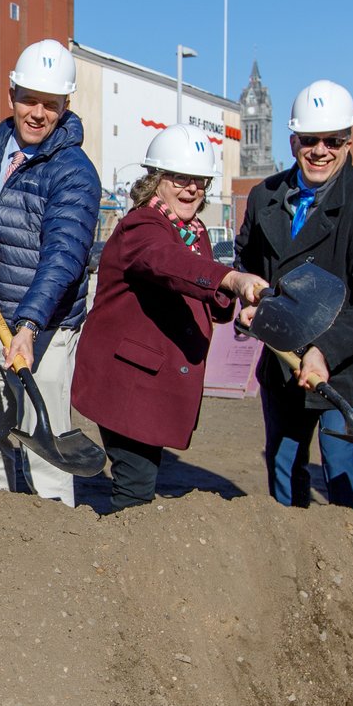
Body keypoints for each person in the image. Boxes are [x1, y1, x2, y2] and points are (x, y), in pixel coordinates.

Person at [70, 126, 266, 511]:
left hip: (154, 383)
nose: (191, 189)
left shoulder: (192, 231)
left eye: (199, 181)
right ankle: (124, 563)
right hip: (128, 380)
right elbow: (166, 263)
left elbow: (198, 287)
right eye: (180, 179)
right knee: (135, 488)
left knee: (140, 482)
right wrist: (230, 277)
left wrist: (230, 299)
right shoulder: (141, 226)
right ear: (156, 180)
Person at [235, 82, 353, 508]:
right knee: (283, 460)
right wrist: (248, 294)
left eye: (332, 141)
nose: (320, 151)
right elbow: (246, 259)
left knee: (341, 463)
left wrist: (324, 351)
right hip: (283, 359)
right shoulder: (265, 197)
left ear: (348, 143)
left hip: (346, 364)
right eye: (309, 140)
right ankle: (286, 552)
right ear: (293, 140)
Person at [0, 38, 101, 506]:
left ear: (65, 106)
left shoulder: (74, 171)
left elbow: (64, 257)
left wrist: (30, 326)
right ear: (10, 94)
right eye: (29, 99)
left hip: (47, 327)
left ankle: (54, 534)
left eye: (50, 105)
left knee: (44, 441)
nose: (38, 112)